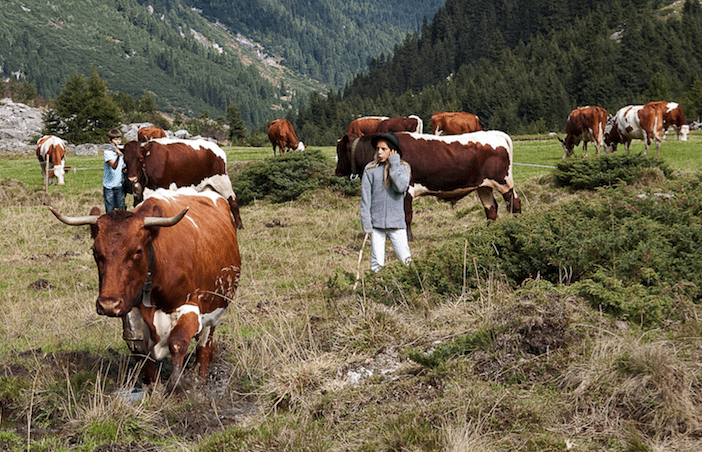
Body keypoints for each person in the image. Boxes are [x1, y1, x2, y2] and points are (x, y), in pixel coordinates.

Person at [361, 133, 412, 272]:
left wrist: (394, 165)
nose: (379, 152)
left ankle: (414, 286)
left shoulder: (404, 168)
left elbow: (401, 187)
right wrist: (366, 224)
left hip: (397, 223)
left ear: (392, 150)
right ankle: (376, 291)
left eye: (383, 149)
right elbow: (365, 200)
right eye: (378, 148)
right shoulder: (370, 170)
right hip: (376, 225)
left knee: (405, 259)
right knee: (377, 263)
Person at [103, 128, 126, 212]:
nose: (118, 142)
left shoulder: (122, 153)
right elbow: (113, 166)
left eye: (119, 139)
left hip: (119, 185)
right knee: (110, 210)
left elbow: (123, 167)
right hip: (109, 186)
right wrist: (118, 155)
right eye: (115, 139)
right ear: (110, 140)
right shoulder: (107, 152)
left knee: (120, 209)